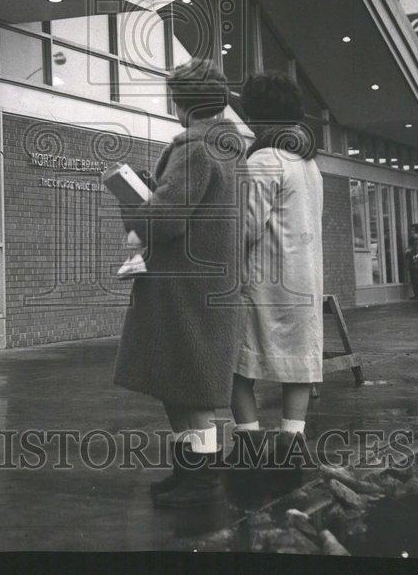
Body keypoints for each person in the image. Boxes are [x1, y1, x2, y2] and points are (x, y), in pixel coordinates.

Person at [113, 59, 244, 508]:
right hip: (209, 278)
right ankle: (191, 470)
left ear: (181, 102)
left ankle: (199, 478)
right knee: (187, 379)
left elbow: (165, 220)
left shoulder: (193, 149)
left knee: (185, 380)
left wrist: (134, 204)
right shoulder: (227, 148)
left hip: (181, 285)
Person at [227, 71, 324, 473]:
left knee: (236, 360)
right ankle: (292, 440)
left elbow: (247, 226)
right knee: (299, 359)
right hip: (303, 275)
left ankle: (248, 442)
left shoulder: (264, 159)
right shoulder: (307, 162)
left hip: (264, 278)